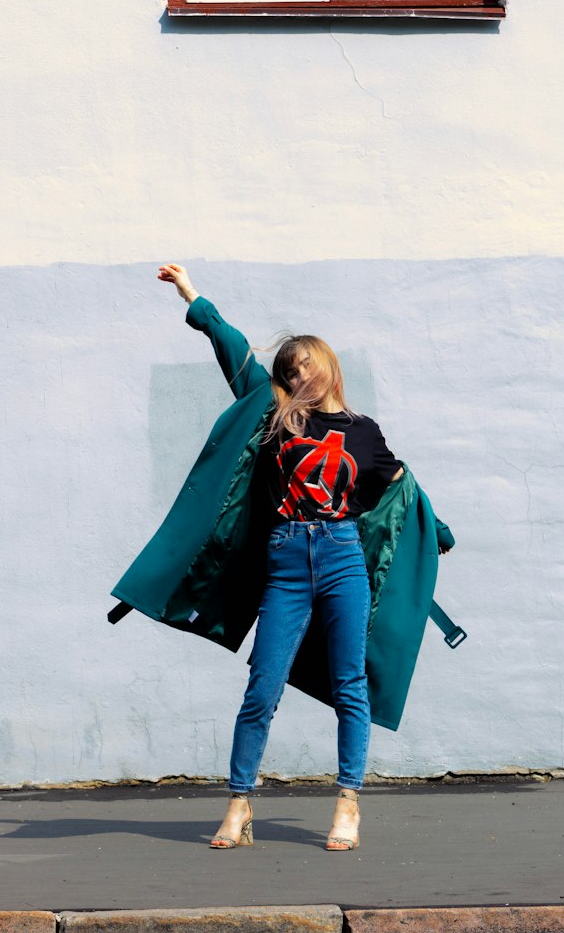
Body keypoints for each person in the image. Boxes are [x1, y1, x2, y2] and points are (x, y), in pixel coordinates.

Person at [141, 264, 455, 853]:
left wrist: (434, 529)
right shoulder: (276, 415)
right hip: (286, 558)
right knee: (263, 685)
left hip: (341, 559)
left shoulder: (365, 432)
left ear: (330, 365)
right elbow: (233, 351)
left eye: (306, 362)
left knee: (349, 685)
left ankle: (348, 802)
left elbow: (400, 488)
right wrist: (193, 297)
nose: (297, 372)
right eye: (290, 367)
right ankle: (238, 804)